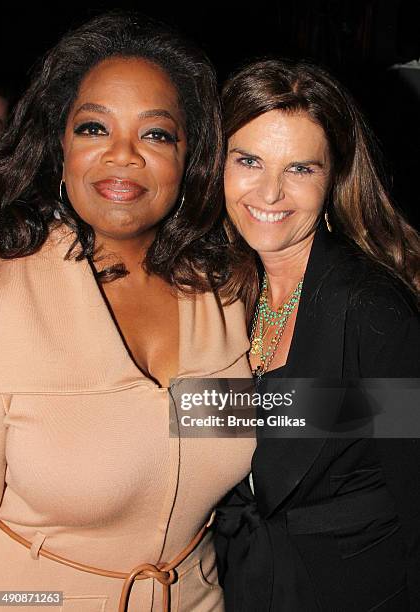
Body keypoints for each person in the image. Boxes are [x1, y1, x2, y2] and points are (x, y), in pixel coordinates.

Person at [0, 12, 255, 612]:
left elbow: (276, 419)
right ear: (59, 145)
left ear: (190, 158)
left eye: (157, 134)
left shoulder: (224, 292)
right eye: (93, 128)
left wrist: (392, 405)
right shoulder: (7, 297)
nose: (123, 155)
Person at [214, 59, 420, 611]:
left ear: (333, 178)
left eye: (300, 168)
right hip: (237, 583)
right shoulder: (215, 290)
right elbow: (234, 419)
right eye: (249, 160)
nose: (270, 192)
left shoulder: (372, 312)